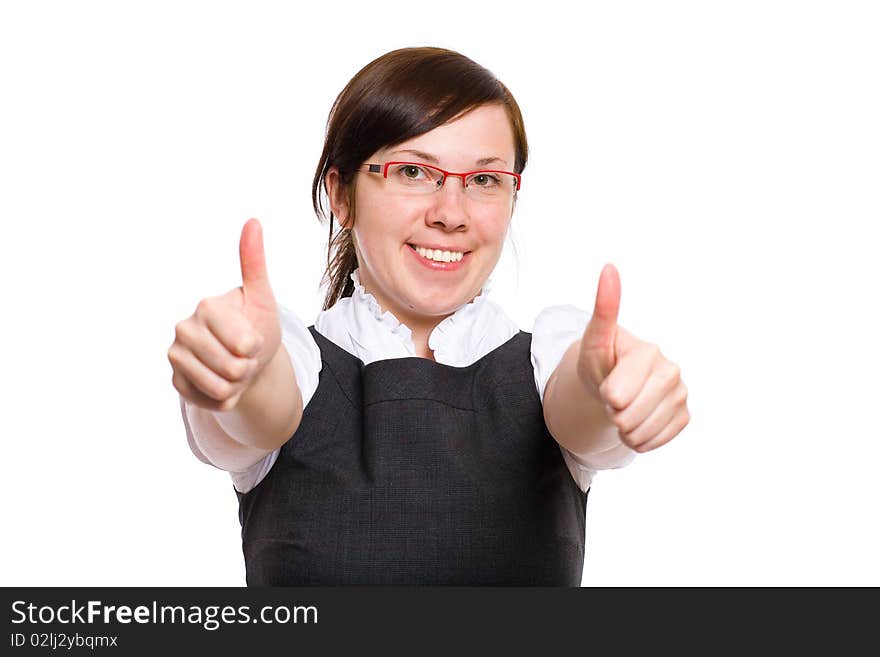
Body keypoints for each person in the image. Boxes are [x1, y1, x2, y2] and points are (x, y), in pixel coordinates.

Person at [168, 46, 690, 585]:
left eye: (485, 180)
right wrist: (237, 374)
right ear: (341, 194)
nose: (450, 214)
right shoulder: (295, 358)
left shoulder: (549, 358)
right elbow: (258, 408)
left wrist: (613, 391)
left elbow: (583, 405)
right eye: (414, 171)